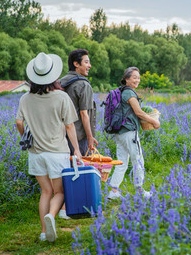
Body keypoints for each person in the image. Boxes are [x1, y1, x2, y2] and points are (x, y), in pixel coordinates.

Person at [16, 52, 82, 243]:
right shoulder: (61, 97)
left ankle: (44, 233)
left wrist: (27, 136)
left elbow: (19, 122)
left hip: (36, 153)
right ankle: (52, 216)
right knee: (60, 192)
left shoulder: (25, 99)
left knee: (45, 192)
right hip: (57, 152)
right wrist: (76, 150)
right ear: (53, 76)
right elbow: (70, 126)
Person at [107, 67, 160, 200]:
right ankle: (140, 190)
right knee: (138, 160)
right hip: (129, 132)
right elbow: (138, 112)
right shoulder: (129, 93)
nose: (137, 80)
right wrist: (154, 121)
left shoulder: (120, 91)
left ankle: (113, 192)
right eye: (134, 77)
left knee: (122, 161)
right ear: (126, 79)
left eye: (138, 77)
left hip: (119, 132)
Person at [59, 49, 98, 219]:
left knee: (63, 169)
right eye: (86, 62)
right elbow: (84, 114)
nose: (89, 66)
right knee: (77, 170)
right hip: (78, 134)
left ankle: (61, 206)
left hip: (59, 134)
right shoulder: (83, 85)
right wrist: (90, 137)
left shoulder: (60, 83)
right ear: (76, 64)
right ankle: (72, 207)